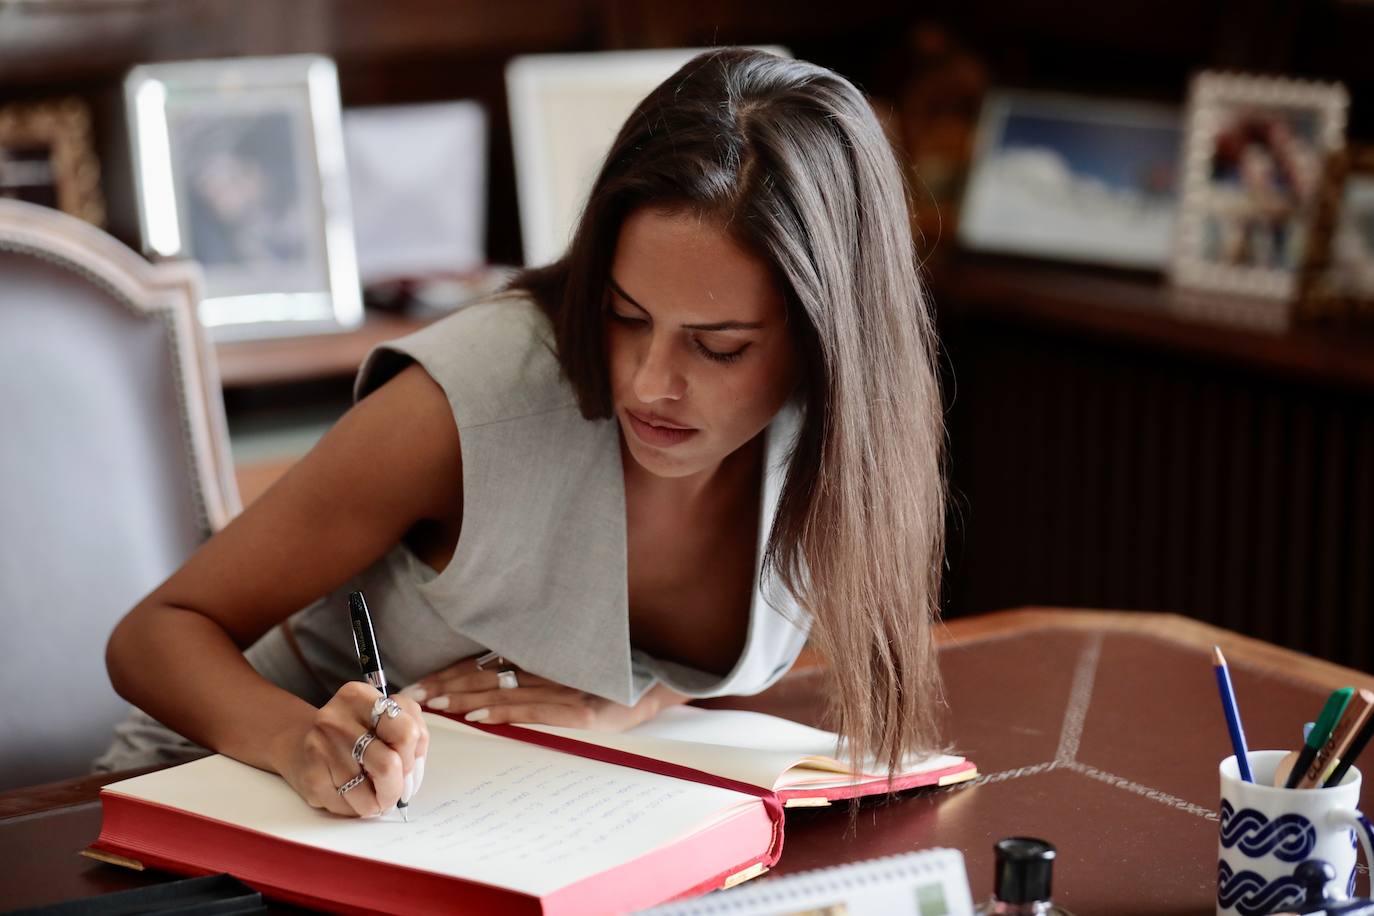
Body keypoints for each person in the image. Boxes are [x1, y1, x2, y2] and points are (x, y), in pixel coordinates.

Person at [99, 47, 948, 820]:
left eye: (718, 346)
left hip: (513, 818)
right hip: (217, 794)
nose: (651, 383)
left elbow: (778, 645)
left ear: (828, 341)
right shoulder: (469, 402)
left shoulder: (842, 436)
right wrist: (298, 741)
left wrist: (625, 700)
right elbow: (156, 634)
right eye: (624, 315)